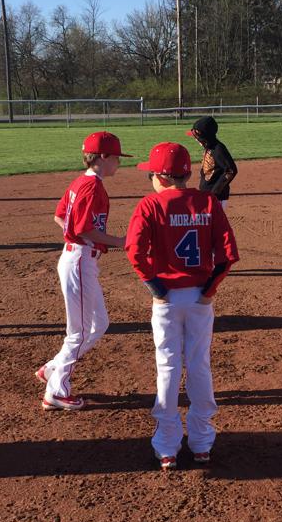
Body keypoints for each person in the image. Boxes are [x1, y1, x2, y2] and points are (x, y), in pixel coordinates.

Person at [125, 141, 239, 470]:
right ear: (187, 174)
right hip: (200, 297)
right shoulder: (207, 202)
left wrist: (155, 286)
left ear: (161, 176)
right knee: (199, 365)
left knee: (168, 367)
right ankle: (202, 442)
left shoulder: (149, 205)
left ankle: (167, 446)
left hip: (167, 299)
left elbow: (134, 251)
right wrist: (209, 291)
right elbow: (228, 255)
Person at [36, 131, 130, 411]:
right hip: (78, 260)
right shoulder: (92, 188)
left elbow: (60, 216)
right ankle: (56, 390)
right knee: (77, 332)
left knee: (98, 324)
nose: (118, 163)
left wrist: (87, 238)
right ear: (102, 157)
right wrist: (120, 241)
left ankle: (52, 368)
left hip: (81, 259)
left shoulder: (81, 182)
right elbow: (82, 229)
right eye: (116, 158)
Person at [186, 116, 238, 210]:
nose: (195, 139)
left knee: (215, 223)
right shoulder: (209, 147)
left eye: (197, 137)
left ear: (204, 136)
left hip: (216, 198)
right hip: (208, 196)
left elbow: (231, 170)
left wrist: (215, 192)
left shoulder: (218, 149)